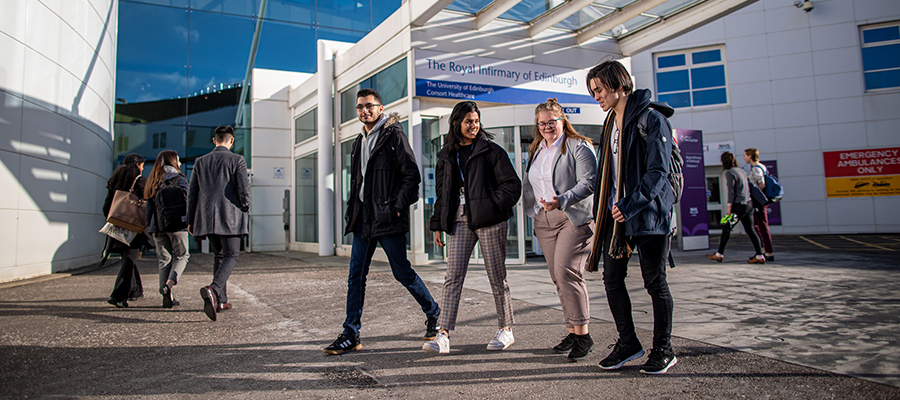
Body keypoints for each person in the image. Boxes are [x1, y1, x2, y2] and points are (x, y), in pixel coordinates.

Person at [324, 88, 441, 355]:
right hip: (364, 220)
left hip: (388, 218)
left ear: (380, 108)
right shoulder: (358, 141)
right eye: (360, 107)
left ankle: (433, 311)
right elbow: (358, 184)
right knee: (356, 277)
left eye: (369, 106)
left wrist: (396, 208)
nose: (364, 110)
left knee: (402, 272)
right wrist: (352, 210)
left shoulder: (393, 135)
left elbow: (412, 178)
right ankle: (350, 332)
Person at [584, 60, 677, 374]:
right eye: (593, 91)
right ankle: (628, 343)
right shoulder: (611, 123)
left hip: (648, 213)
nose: (596, 96)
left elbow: (658, 171)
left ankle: (663, 349)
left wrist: (632, 203)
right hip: (616, 216)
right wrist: (603, 211)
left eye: (599, 89)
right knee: (612, 280)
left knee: (655, 283)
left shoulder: (652, 119)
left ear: (618, 84)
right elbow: (606, 176)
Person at [424, 100, 522, 354]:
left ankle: (506, 329)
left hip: (490, 220)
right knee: (452, 277)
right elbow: (442, 193)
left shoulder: (492, 151)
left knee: (497, 277)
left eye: (476, 121)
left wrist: (491, 205)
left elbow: (512, 185)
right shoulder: (446, 155)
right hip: (459, 218)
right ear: (456, 122)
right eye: (469, 121)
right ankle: (443, 334)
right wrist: (437, 224)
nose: (473, 126)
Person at [523, 98, 597, 361]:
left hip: (571, 217)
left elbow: (589, 182)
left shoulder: (579, 146)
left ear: (562, 121)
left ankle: (584, 335)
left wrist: (561, 200)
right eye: (541, 123)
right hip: (544, 220)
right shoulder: (537, 149)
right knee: (557, 276)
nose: (546, 127)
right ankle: (573, 331)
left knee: (567, 272)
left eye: (551, 122)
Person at [187, 125, 251, 321]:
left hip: (207, 216)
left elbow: (192, 193)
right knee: (232, 255)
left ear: (214, 140)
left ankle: (221, 301)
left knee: (219, 256)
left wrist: (190, 220)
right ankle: (214, 289)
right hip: (229, 215)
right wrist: (246, 205)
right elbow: (243, 188)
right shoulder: (237, 159)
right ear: (231, 141)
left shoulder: (200, 161)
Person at [144, 150, 189, 308]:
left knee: (164, 261)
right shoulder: (179, 179)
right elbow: (187, 202)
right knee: (182, 256)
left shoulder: (154, 180)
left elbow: (149, 209)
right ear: (174, 162)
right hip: (177, 225)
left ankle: (166, 297)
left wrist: (149, 227)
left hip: (158, 226)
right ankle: (168, 285)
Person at [103, 153, 148, 308]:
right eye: (142, 165)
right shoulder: (140, 181)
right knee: (129, 260)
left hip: (117, 225)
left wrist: (116, 219)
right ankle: (118, 295)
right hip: (133, 227)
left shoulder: (115, 181)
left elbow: (106, 206)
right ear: (137, 165)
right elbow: (146, 203)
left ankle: (135, 291)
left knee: (127, 258)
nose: (142, 168)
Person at [707, 152, 766, 264]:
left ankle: (719, 254)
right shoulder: (741, 170)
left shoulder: (729, 173)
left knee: (726, 228)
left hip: (738, 206)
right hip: (748, 204)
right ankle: (759, 255)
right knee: (751, 230)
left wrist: (729, 207)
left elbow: (731, 191)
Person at [743, 148, 775, 262]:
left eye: (745, 155)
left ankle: (768, 252)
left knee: (761, 226)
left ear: (750, 156)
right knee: (757, 226)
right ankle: (761, 252)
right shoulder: (761, 166)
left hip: (759, 203)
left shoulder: (756, 168)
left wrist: (756, 194)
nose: (744, 158)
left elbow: (761, 184)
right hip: (760, 202)